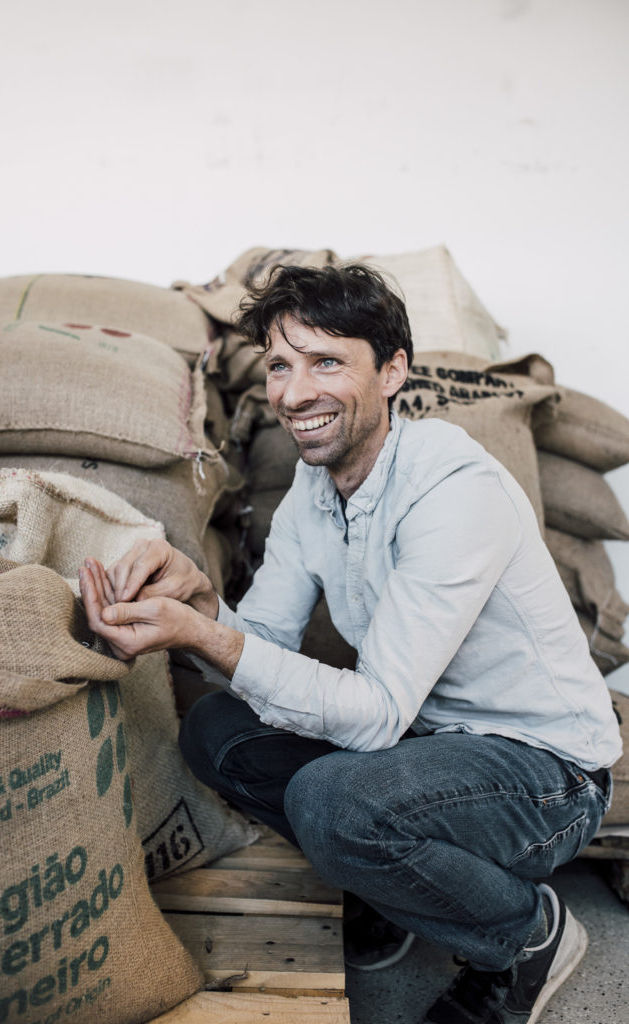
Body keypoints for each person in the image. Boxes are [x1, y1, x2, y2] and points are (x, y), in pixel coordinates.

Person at [79, 263, 621, 1024]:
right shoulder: (314, 488)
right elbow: (263, 642)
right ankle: (395, 886)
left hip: (544, 772)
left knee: (333, 804)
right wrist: (202, 601)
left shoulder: (453, 490)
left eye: (326, 362)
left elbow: (375, 713)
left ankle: (528, 936)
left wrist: (204, 636)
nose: (294, 393)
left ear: (392, 371)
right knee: (216, 730)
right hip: (424, 743)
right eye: (279, 365)